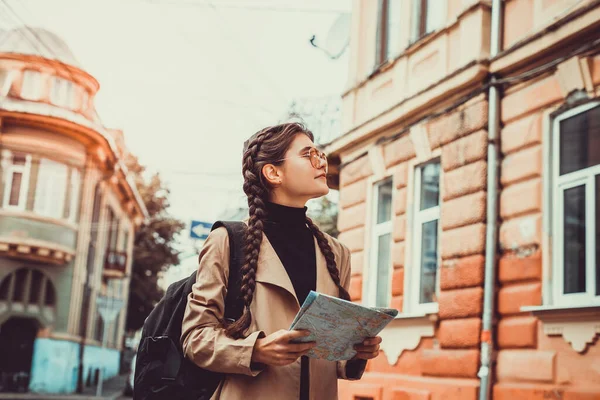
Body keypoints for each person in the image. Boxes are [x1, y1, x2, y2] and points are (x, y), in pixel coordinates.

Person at [181, 122, 383, 399]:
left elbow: (331, 360)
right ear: (273, 172)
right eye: (307, 154)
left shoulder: (336, 253)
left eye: (320, 154)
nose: (320, 162)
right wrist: (256, 351)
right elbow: (196, 338)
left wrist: (358, 353)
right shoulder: (227, 240)